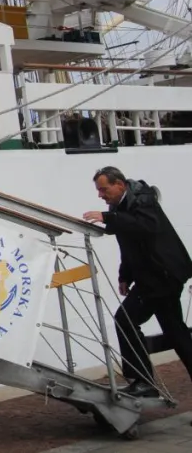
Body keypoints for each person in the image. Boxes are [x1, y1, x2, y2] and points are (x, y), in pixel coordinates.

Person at [83, 167, 192, 396]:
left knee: (126, 320)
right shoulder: (120, 206)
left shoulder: (143, 199)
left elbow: (146, 227)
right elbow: (128, 244)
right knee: (176, 333)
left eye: (104, 189)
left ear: (119, 185)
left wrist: (108, 218)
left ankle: (143, 382)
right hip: (155, 276)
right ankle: (143, 382)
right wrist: (125, 276)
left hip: (160, 277)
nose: (101, 195)